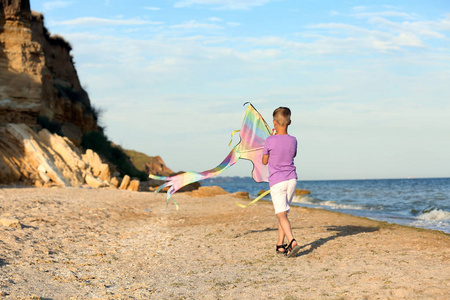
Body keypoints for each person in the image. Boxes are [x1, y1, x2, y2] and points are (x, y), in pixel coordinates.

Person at [262, 107, 301, 258]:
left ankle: (291, 240)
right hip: (292, 179)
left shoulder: (269, 140)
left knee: (281, 214)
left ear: (274, 123)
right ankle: (280, 245)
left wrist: (270, 141)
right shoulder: (293, 140)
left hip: (277, 181)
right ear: (290, 122)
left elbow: (264, 161)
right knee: (283, 213)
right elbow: (293, 154)